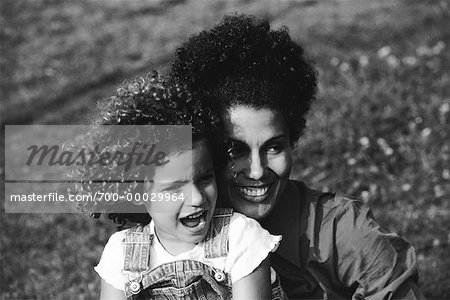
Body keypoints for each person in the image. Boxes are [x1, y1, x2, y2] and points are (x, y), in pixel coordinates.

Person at [170, 14, 426, 299]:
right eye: (235, 150)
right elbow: (118, 172)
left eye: (273, 147)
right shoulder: (175, 215)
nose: (257, 171)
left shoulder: (340, 231)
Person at [78, 72, 287, 299]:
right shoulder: (121, 254)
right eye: (174, 188)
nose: (197, 198)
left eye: (204, 178)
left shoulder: (239, 237)